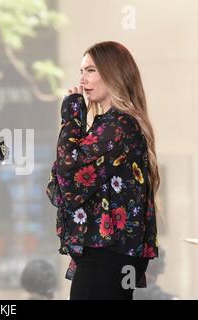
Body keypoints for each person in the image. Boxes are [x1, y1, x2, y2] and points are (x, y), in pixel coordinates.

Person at [46, 41, 159, 300]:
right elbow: (61, 184)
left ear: (113, 73)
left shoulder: (119, 125)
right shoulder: (107, 126)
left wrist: (72, 115)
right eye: (81, 71)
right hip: (105, 254)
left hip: (106, 255)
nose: (82, 79)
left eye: (91, 71)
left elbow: (68, 179)